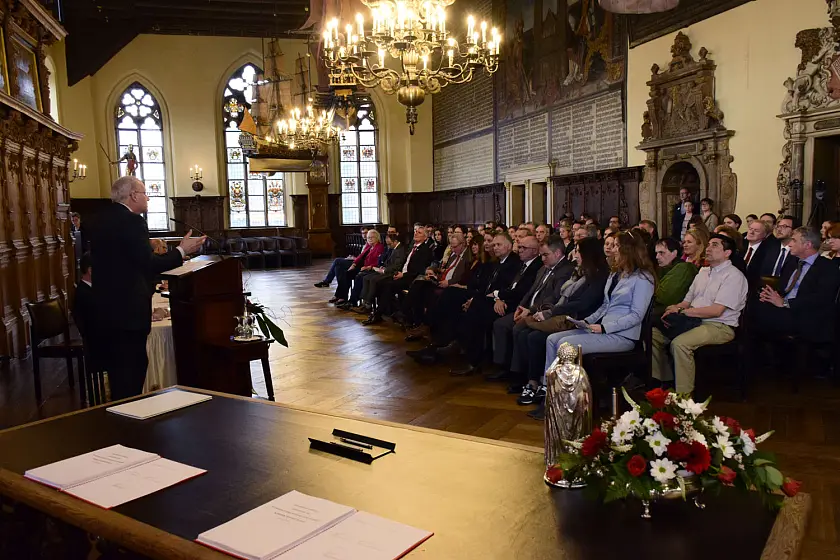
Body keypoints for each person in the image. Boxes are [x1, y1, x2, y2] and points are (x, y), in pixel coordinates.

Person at [88, 177, 205, 400]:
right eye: (144, 193)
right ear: (133, 195)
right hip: (129, 312)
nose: (147, 197)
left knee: (118, 374)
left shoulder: (100, 219)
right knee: (131, 374)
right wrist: (181, 250)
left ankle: (119, 422)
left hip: (106, 310)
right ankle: (131, 428)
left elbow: (123, 259)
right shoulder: (133, 222)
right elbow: (149, 265)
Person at [510, 237, 609, 404]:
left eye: (578, 251)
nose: (574, 254)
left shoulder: (598, 275)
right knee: (526, 332)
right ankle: (532, 382)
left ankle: (541, 382)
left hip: (579, 320)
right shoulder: (581, 272)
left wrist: (551, 312)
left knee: (534, 337)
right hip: (567, 315)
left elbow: (583, 302)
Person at [543, 231, 656, 369]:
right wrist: (587, 321)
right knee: (552, 339)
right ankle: (549, 386)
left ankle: (568, 387)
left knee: (565, 345)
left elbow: (636, 315)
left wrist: (605, 327)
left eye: (616, 245)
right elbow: (605, 306)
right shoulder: (616, 274)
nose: (612, 250)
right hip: (602, 329)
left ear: (627, 249)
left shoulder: (643, 278)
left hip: (622, 335)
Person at [651, 234, 748, 394]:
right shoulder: (703, 272)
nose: (708, 248)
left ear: (727, 252)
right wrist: (675, 307)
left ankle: (683, 397)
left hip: (719, 325)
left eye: (715, 245)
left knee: (680, 344)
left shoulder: (733, 276)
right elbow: (687, 301)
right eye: (708, 244)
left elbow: (716, 311)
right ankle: (665, 382)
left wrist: (684, 311)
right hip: (691, 321)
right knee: (653, 334)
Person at [749, 227, 840, 372]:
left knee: (754, 315)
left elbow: (822, 298)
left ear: (807, 245)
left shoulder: (828, 267)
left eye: (794, 240)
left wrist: (785, 303)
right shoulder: (793, 263)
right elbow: (784, 289)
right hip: (785, 310)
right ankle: (762, 361)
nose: (790, 244)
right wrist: (770, 295)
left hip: (807, 315)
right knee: (751, 307)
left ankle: (756, 364)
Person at [450, 235, 542, 376]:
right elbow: (511, 287)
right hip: (505, 300)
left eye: (524, 248)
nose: (520, 250)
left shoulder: (535, 266)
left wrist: (499, 297)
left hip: (515, 305)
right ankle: (468, 353)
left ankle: (475, 359)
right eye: (520, 247)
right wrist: (499, 297)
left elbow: (521, 291)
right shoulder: (523, 264)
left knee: (477, 308)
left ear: (535, 251)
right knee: (470, 303)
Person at [488, 235, 575, 380]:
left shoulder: (565, 270)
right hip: (528, 309)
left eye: (545, 255)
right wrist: (521, 306)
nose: (542, 258)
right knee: (503, 324)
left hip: (544, 312)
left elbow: (553, 297)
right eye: (541, 255)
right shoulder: (543, 268)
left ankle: (521, 374)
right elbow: (530, 291)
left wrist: (531, 310)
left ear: (557, 253)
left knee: (520, 330)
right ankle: (511, 370)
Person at [363, 225, 434, 325]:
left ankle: (385, 314)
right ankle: (387, 312)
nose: (416, 233)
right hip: (402, 274)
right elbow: (404, 263)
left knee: (388, 285)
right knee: (381, 283)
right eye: (416, 231)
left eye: (419, 232)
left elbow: (418, 270)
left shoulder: (425, 250)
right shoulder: (412, 247)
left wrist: (403, 275)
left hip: (411, 278)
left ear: (425, 237)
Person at [355, 234, 406, 313]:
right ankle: (364, 303)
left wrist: (384, 270)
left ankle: (368, 305)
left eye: (389, 244)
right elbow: (388, 261)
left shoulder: (400, 250)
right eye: (387, 244)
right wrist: (383, 266)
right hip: (386, 270)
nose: (388, 246)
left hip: (392, 273)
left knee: (373, 280)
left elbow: (397, 266)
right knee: (366, 278)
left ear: (395, 241)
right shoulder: (394, 248)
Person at [335, 229, 384, 308]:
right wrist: (354, 264)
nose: (370, 239)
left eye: (372, 237)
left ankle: (352, 301)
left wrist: (369, 267)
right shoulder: (368, 246)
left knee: (359, 277)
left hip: (371, 269)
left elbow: (379, 262)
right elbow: (360, 256)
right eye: (368, 238)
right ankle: (343, 297)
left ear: (377, 238)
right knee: (345, 273)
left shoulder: (379, 247)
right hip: (363, 267)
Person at [653, 237, 698, 317]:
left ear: (674, 253)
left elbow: (665, 297)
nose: (657, 257)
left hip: (671, 313)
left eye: (661, 253)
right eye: (656, 253)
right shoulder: (662, 269)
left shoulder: (684, 268)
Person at [743, 219, 780, 287]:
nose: (751, 232)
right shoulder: (740, 246)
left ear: (765, 235)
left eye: (756, 230)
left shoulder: (769, 252)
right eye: (750, 229)